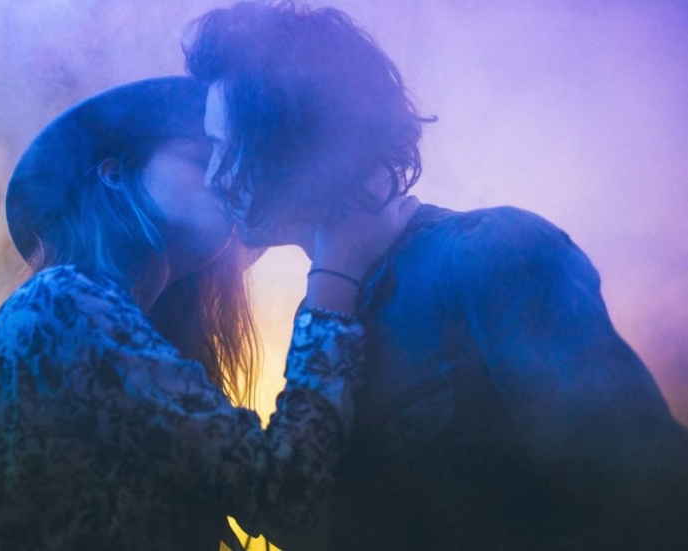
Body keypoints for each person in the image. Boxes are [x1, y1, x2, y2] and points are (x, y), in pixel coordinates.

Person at [184, 3, 688, 550]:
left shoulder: (492, 254)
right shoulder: (326, 314)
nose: (212, 178)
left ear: (294, 145)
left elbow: (643, 487)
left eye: (223, 149)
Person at [0, 76, 417, 551]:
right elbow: (283, 494)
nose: (226, 180)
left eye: (233, 162)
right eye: (203, 160)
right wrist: (336, 271)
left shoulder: (123, 326)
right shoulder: (60, 304)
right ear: (115, 172)